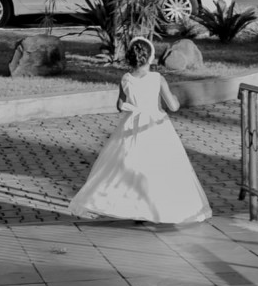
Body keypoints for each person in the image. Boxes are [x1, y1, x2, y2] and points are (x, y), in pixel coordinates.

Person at [67, 37, 213, 226]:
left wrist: (131, 104)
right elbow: (173, 106)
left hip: (131, 126)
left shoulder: (126, 79)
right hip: (156, 127)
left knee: (130, 165)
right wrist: (175, 99)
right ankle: (161, 208)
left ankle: (135, 208)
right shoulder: (157, 79)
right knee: (160, 166)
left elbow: (120, 105)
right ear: (150, 58)